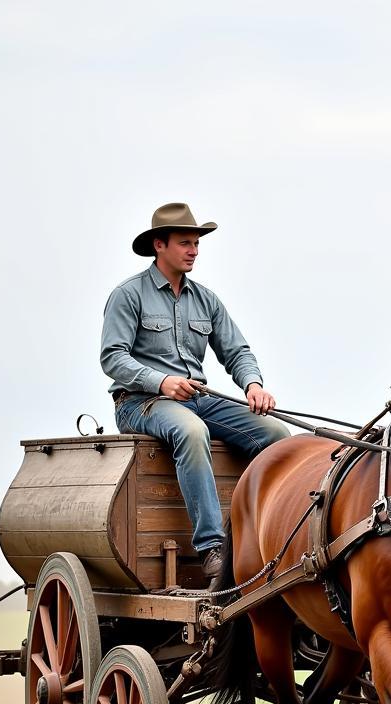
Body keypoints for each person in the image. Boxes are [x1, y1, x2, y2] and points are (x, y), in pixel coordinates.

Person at [101, 202, 289, 579]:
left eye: (197, 244)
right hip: (141, 402)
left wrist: (253, 385)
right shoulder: (128, 295)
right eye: (185, 242)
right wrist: (162, 381)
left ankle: (262, 537)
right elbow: (112, 358)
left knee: (276, 435)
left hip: (199, 399)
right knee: (190, 431)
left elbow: (237, 351)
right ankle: (212, 548)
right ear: (159, 245)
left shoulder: (206, 299)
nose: (194, 251)